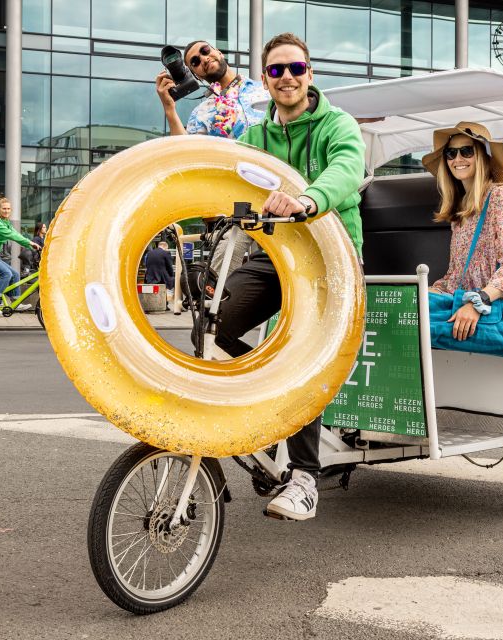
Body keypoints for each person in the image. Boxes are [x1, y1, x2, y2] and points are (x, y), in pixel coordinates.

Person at [211, 33, 365, 521]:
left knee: (302, 355)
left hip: (331, 257)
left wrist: (307, 199)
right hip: (275, 257)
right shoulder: (256, 139)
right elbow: (220, 174)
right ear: (264, 79)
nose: (287, 78)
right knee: (213, 323)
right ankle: (260, 391)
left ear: (310, 73)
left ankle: (304, 478)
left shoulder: (335, 124)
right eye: (276, 71)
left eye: (295, 68)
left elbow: (347, 167)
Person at [155, 40, 267, 271]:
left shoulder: (264, 88)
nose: (203, 59)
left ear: (218, 52)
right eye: (194, 61)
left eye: (205, 51)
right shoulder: (203, 112)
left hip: (279, 190)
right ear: (194, 73)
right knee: (222, 267)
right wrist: (169, 109)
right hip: (238, 201)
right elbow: (186, 153)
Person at [423, 122, 503, 343]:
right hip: (467, 316)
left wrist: (479, 302)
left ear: (483, 156)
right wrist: (424, 292)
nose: (457, 159)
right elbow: (457, 275)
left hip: (497, 311)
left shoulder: (501, 197)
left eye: (467, 151)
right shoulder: (460, 210)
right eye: (450, 153)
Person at [0, 197, 40, 316]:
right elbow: (11, 235)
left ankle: (16, 301)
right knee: (6, 274)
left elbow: (15, 233)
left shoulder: (6, 222)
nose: (6, 211)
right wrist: (30, 242)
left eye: (8, 209)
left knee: (14, 274)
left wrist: (32, 246)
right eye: (4, 208)